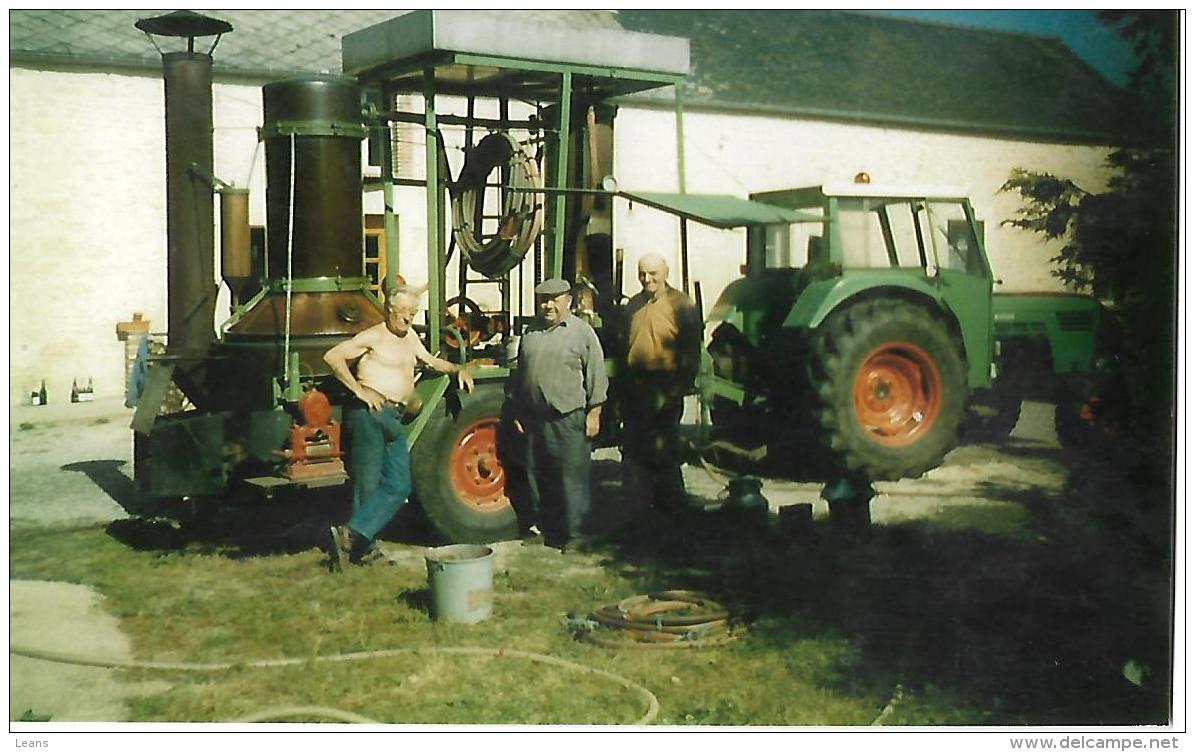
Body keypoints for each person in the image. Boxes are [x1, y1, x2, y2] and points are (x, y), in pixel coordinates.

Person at [322, 285, 474, 570]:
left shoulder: (411, 337)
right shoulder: (375, 335)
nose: (407, 318)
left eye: (412, 313)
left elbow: (430, 361)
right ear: (389, 310)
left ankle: (351, 535)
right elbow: (333, 357)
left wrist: (457, 369)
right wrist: (359, 391)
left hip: (394, 417)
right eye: (402, 312)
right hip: (370, 413)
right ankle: (364, 549)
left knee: (399, 484)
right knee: (368, 482)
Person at [510, 278, 608, 551]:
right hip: (534, 417)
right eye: (544, 299)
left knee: (571, 477)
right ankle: (543, 529)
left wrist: (594, 413)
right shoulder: (531, 331)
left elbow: (596, 375)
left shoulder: (582, 332)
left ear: (568, 301)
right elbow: (521, 373)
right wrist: (518, 409)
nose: (548, 305)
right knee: (537, 475)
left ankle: (576, 534)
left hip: (568, 417)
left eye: (555, 299)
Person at [620, 252, 701, 516]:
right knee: (634, 452)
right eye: (642, 273)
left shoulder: (681, 304)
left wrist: (677, 391)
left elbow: (691, 353)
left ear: (666, 273)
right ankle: (638, 512)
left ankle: (672, 513)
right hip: (636, 386)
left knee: (664, 452)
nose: (647, 279)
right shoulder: (633, 305)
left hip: (665, 387)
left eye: (653, 273)